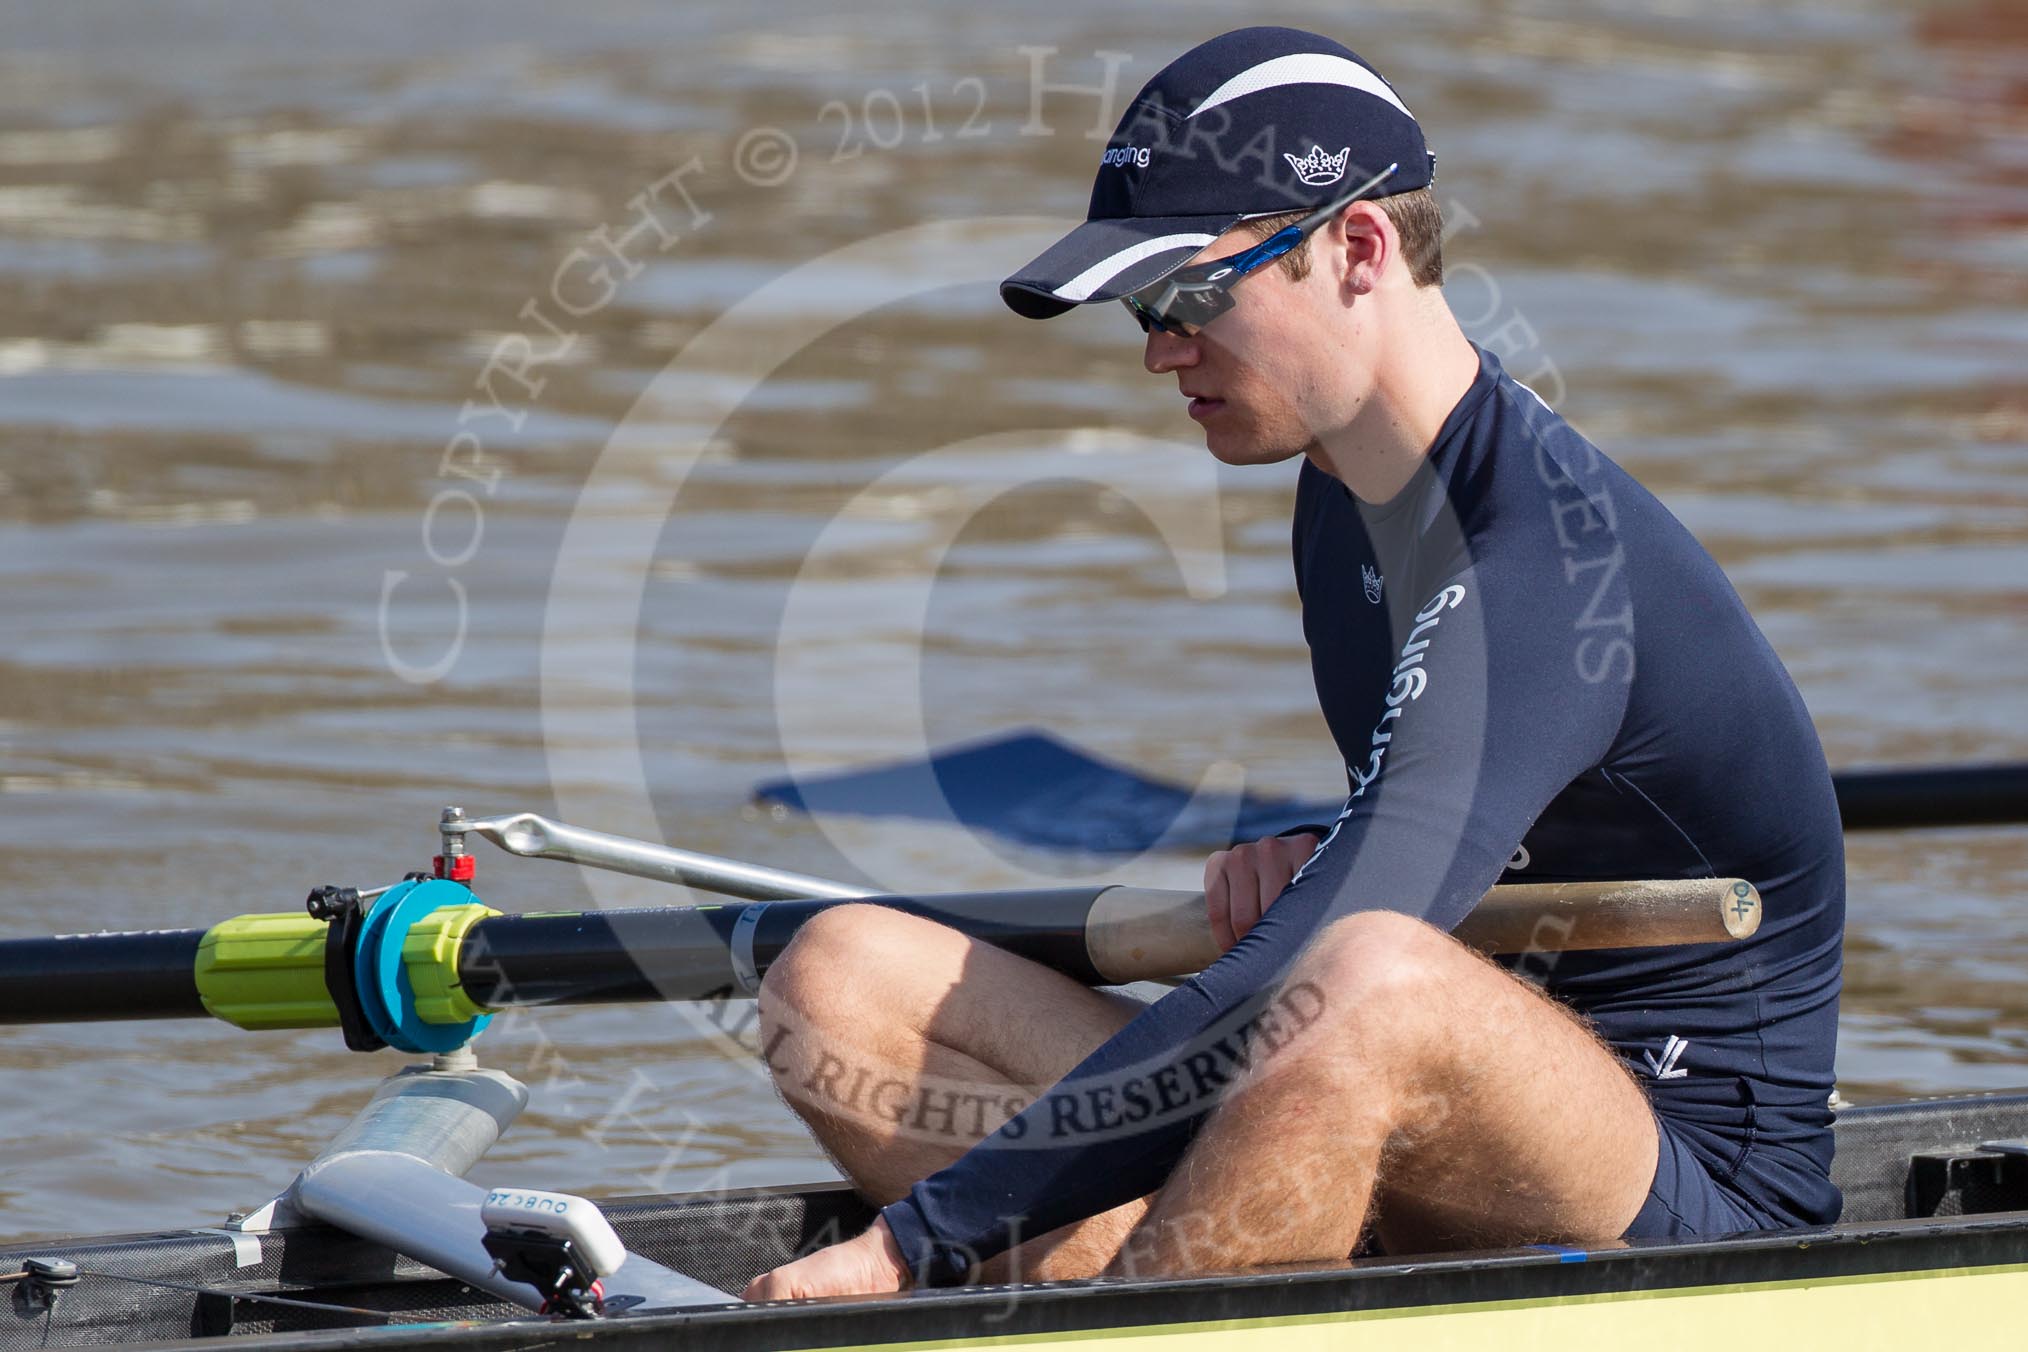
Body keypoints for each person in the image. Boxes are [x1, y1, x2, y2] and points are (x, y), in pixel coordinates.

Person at [743, 25, 1844, 1300]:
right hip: (1392, 1117)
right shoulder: (1340, 493)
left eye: (1190, 297)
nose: (1161, 350)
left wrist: (907, 1243)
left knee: (1362, 969)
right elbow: (1477, 809)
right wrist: (1344, 843)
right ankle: (1128, 1291)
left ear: (1359, 250)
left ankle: (1104, 1320)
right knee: (838, 973)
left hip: (1694, 1200)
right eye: (1144, 312)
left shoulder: (1545, 565)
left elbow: (1353, 958)